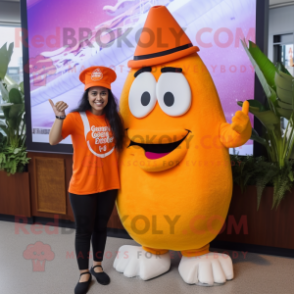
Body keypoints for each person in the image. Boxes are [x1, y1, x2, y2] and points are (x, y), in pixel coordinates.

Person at [48, 66, 124, 294]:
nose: (98, 97)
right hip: (82, 187)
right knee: (84, 230)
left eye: (103, 93)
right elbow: (53, 140)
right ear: (87, 95)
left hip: (109, 185)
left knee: (101, 227)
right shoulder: (74, 117)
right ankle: (84, 272)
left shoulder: (115, 119)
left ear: (109, 95)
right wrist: (59, 118)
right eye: (94, 93)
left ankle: (97, 266)